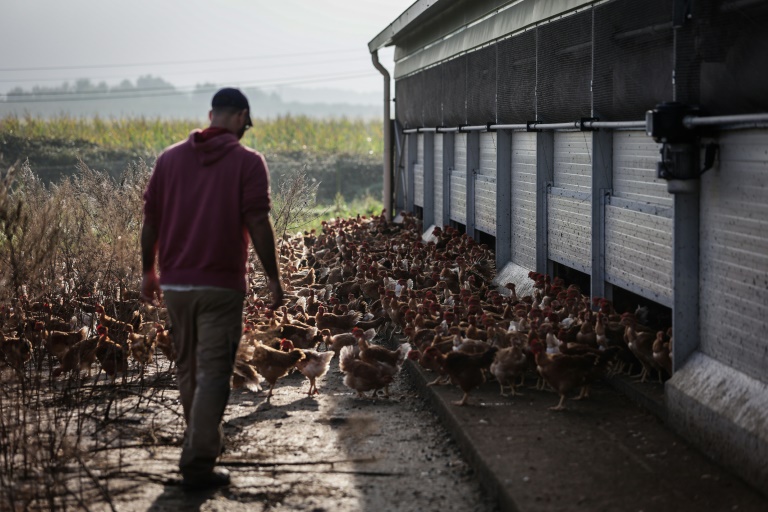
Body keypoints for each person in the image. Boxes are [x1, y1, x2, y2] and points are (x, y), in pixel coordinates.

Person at [140, 87, 284, 490]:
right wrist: (273, 277)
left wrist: (147, 272)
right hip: (220, 285)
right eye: (245, 125)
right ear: (239, 117)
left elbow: (150, 222)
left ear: (210, 115)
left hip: (176, 285)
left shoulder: (168, 160)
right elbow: (258, 223)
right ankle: (199, 461)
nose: (244, 132)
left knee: (188, 369)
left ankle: (199, 442)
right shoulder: (248, 162)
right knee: (215, 373)